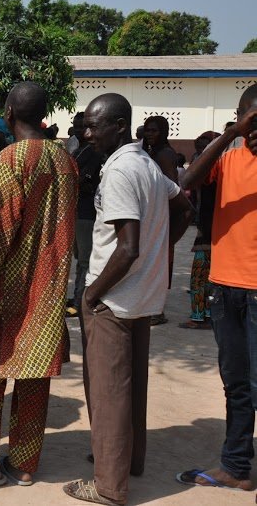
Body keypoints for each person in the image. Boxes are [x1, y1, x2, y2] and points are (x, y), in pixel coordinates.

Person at [64, 93, 193, 505]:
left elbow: (128, 246)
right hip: (140, 296)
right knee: (130, 387)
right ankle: (126, 460)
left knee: (109, 393)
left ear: (119, 126)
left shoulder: (120, 171)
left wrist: (91, 292)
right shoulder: (146, 164)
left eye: (94, 125)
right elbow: (184, 208)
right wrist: (161, 253)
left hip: (115, 300)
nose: (87, 133)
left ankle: (109, 486)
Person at [0, 82, 77, 488]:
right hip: (51, 286)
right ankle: (23, 464)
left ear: (8, 111)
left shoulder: (13, 157)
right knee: (34, 377)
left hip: (9, 287)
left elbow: (2, 228)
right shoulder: (65, 159)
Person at [175, 83, 257, 492]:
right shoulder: (229, 158)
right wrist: (229, 135)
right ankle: (237, 466)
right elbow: (188, 179)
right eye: (251, 119)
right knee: (237, 383)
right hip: (226, 287)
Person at [179, 132, 220, 330]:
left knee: (198, 277)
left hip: (207, 232)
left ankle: (198, 317)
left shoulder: (210, 172)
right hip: (214, 232)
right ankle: (208, 314)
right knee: (209, 277)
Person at [143, 115, 180, 327]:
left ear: (164, 132)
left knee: (160, 261)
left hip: (162, 214)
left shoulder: (165, 154)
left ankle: (157, 310)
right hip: (153, 212)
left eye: (154, 130)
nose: (149, 134)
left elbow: (171, 188)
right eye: (147, 130)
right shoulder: (151, 152)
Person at [67, 112, 103, 318]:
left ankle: (81, 301)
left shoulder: (92, 152)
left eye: (84, 126)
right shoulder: (78, 150)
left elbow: (82, 182)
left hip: (86, 212)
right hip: (76, 210)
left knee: (85, 260)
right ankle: (78, 296)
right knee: (80, 257)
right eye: (77, 126)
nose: (81, 131)